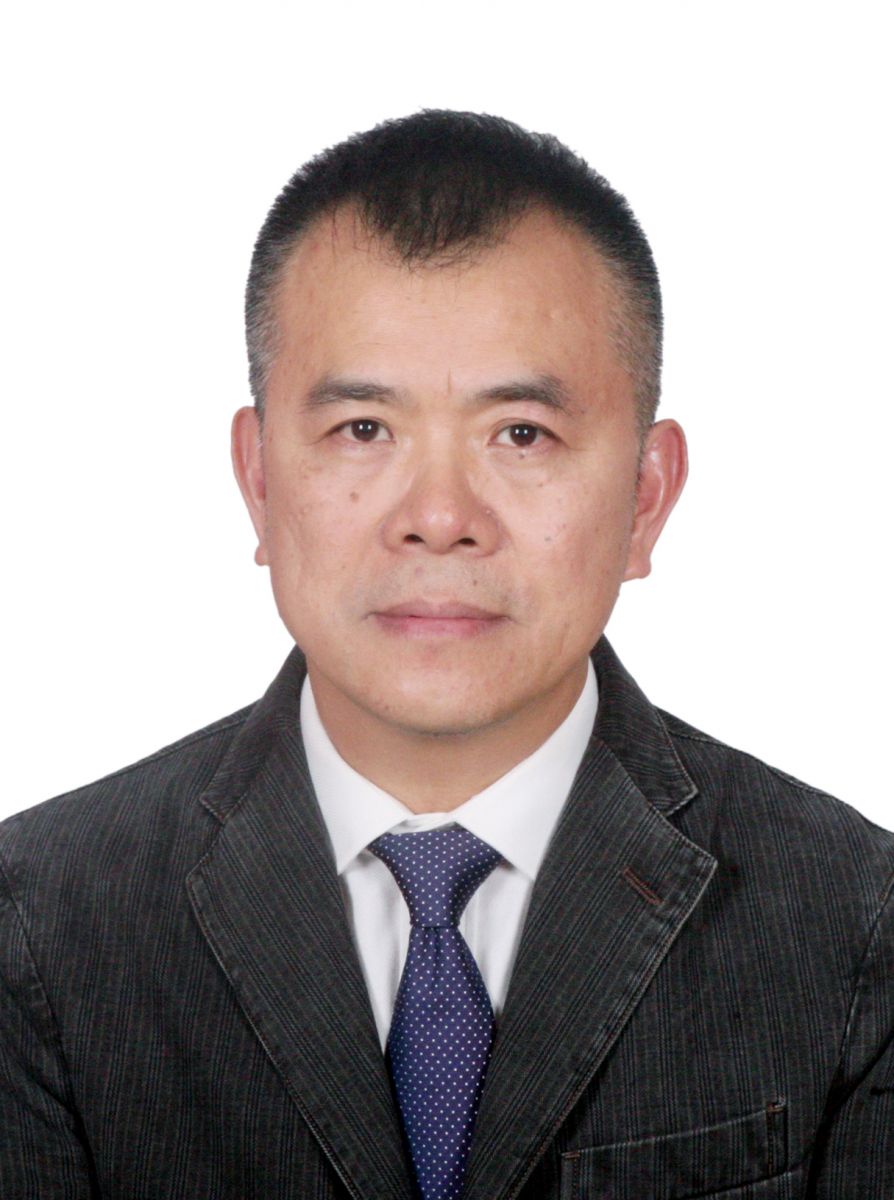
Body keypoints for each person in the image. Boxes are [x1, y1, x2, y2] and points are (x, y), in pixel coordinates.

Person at [1, 111, 891, 1200]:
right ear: (260, 482)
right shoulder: (37, 927)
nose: (437, 518)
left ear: (647, 498)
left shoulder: (858, 927)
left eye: (521, 434)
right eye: (363, 429)